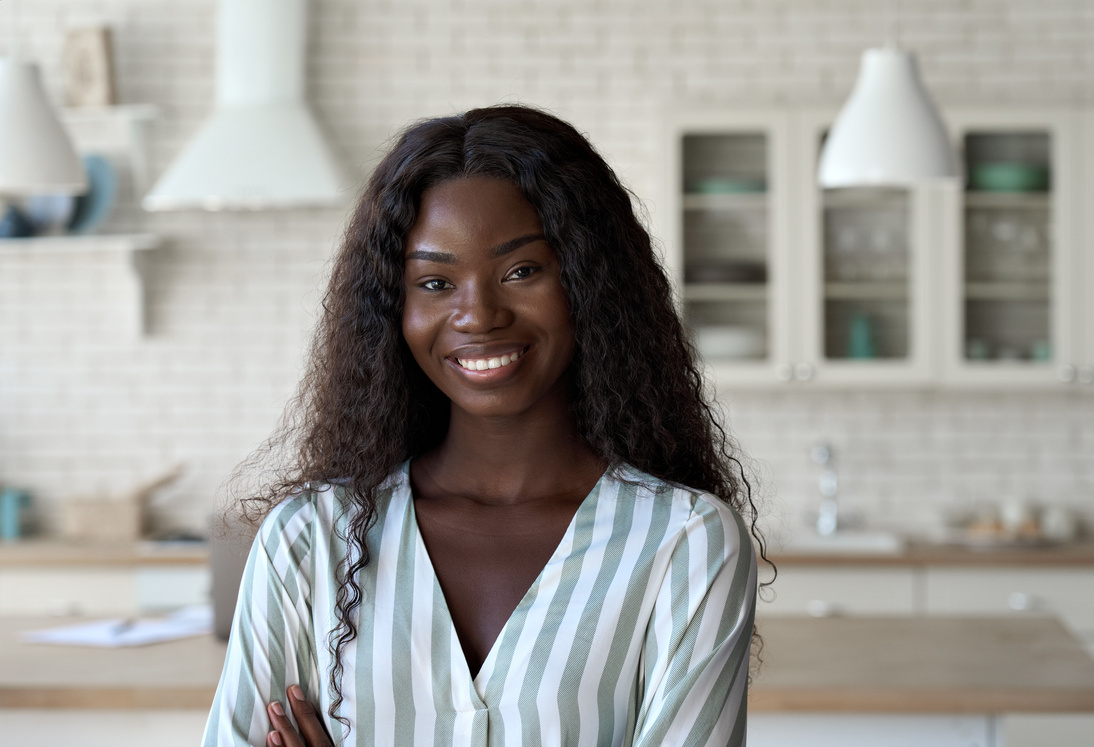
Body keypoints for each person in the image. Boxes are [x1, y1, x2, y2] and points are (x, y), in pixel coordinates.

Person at [203, 105, 767, 747]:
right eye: (436, 281)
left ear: (590, 282)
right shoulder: (308, 544)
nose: (478, 315)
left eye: (521, 271)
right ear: (396, 308)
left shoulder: (684, 544)